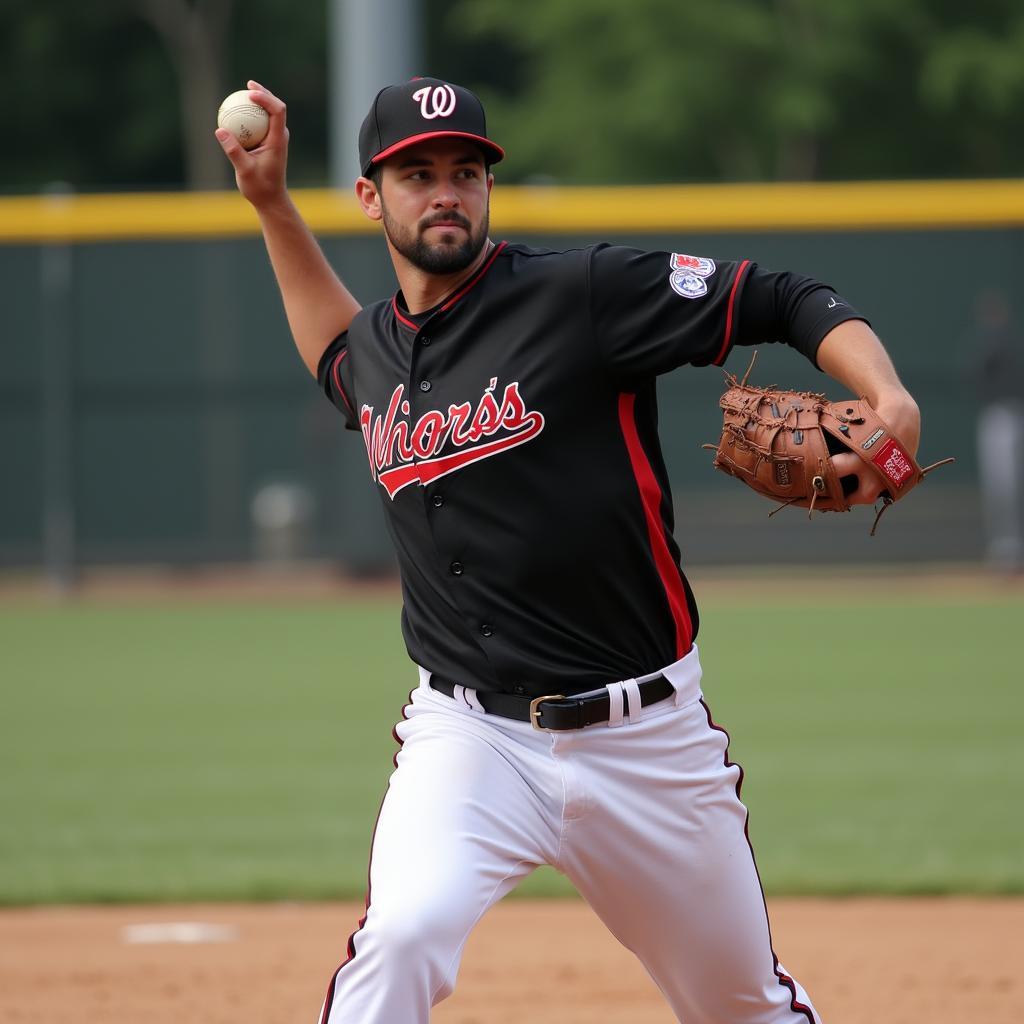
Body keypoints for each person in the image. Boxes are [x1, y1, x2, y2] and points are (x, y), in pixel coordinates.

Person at [216, 77, 921, 1024]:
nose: (446, 192)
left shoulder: (582, 293)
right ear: (371, 198)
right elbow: (334, 357)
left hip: (649, 741)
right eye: (417, 173)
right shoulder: (377, 349)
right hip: (470, 738)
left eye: (465, 171)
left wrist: (889, 395)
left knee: (740, 1007)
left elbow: (781, 297)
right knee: (402, 941)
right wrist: (269, 204)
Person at [971, 289, 1024, 574]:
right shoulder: (988, 346)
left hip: (1009, 415)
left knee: (1009, 488)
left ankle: (1010, 552)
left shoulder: (1007, 345)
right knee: (1002, 487)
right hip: (999, 416)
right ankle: (1006, 553)